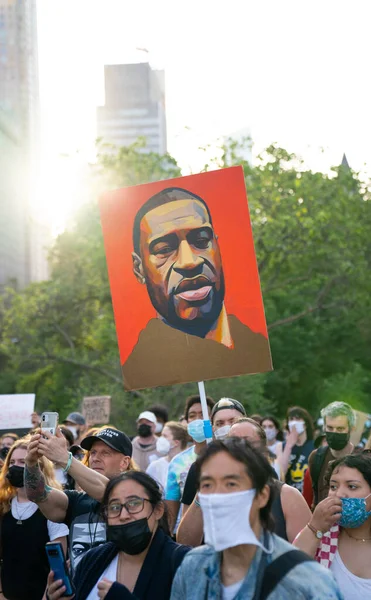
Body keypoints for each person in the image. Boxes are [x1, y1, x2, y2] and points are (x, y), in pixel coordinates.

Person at [123, 187, 272, 389]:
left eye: (202, 241)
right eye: (164, 250)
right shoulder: (139, 370)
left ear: (217, 247)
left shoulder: (256, 349)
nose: (189, 262)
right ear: (139, 269)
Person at [171, 437, 342, 599]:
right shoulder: (193, 567)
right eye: (207, 485)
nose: (217, 495)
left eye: (231, 484)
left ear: (262, 495)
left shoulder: (307, 580)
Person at [47, 471, 190, 600]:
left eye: (134, 503)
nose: (123, 515)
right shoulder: (92, 560)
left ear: (158, 510)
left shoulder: (183, 563)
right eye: (114, 507)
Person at [177, 417, 311, 546]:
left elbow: (305, 557)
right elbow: (185, 542)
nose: (239, 450)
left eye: (247, 443)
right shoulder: (214, 494)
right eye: (233, 443)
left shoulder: (287, 496)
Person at [24, 426, 134, 573]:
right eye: (93, 452)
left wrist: (64, 457)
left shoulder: (137, 496)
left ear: (124, 463)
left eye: (105, 453)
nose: (95, 458)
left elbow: (110, 493)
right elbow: (37, 494)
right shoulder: (76, 500)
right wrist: (31, 463)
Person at [0, 436, 69, 600]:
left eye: (23, 462)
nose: (16, 467)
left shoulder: (52, 508)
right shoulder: (3, 506)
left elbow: (58, 563)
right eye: (12, 462)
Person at [293, 453, 371, 598]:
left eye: (352, 486)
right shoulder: (321, 535)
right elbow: (288, 575)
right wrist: (314, 527)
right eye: (333, 486)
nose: (339, 494)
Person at [180, 397, 246, 514]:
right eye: (219, 423)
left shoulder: (259, 464)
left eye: (232, 421)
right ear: (213, 429)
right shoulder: (199, 469)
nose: (226, 427)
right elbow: (186, 530)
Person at [165, 394, 214, 531]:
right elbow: (171, 512)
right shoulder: (177, 463)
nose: (197, 419)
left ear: (212, 420)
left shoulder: (225, 457)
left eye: (203, 414)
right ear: (186, 422)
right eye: (192, 415)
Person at [309, 401, 355, 507]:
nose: (334, 433)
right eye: (330, 428)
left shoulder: (363, 459)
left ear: (351, 429)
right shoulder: (316, 457)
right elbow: (316, 495)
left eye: (340, 429)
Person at [280, 406, 315, 492]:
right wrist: (288, 446)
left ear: (305, 424)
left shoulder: (315, 446)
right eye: (291, 419)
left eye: (298, 419)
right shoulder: (281, 446)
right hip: (289, 495)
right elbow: (280, 475)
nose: (294, 422)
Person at [146, 421, 188, 489]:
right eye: (161, 435)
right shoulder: (155, 467)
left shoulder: (189, 465)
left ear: (176, 442)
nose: (160, 439)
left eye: (165, 436)